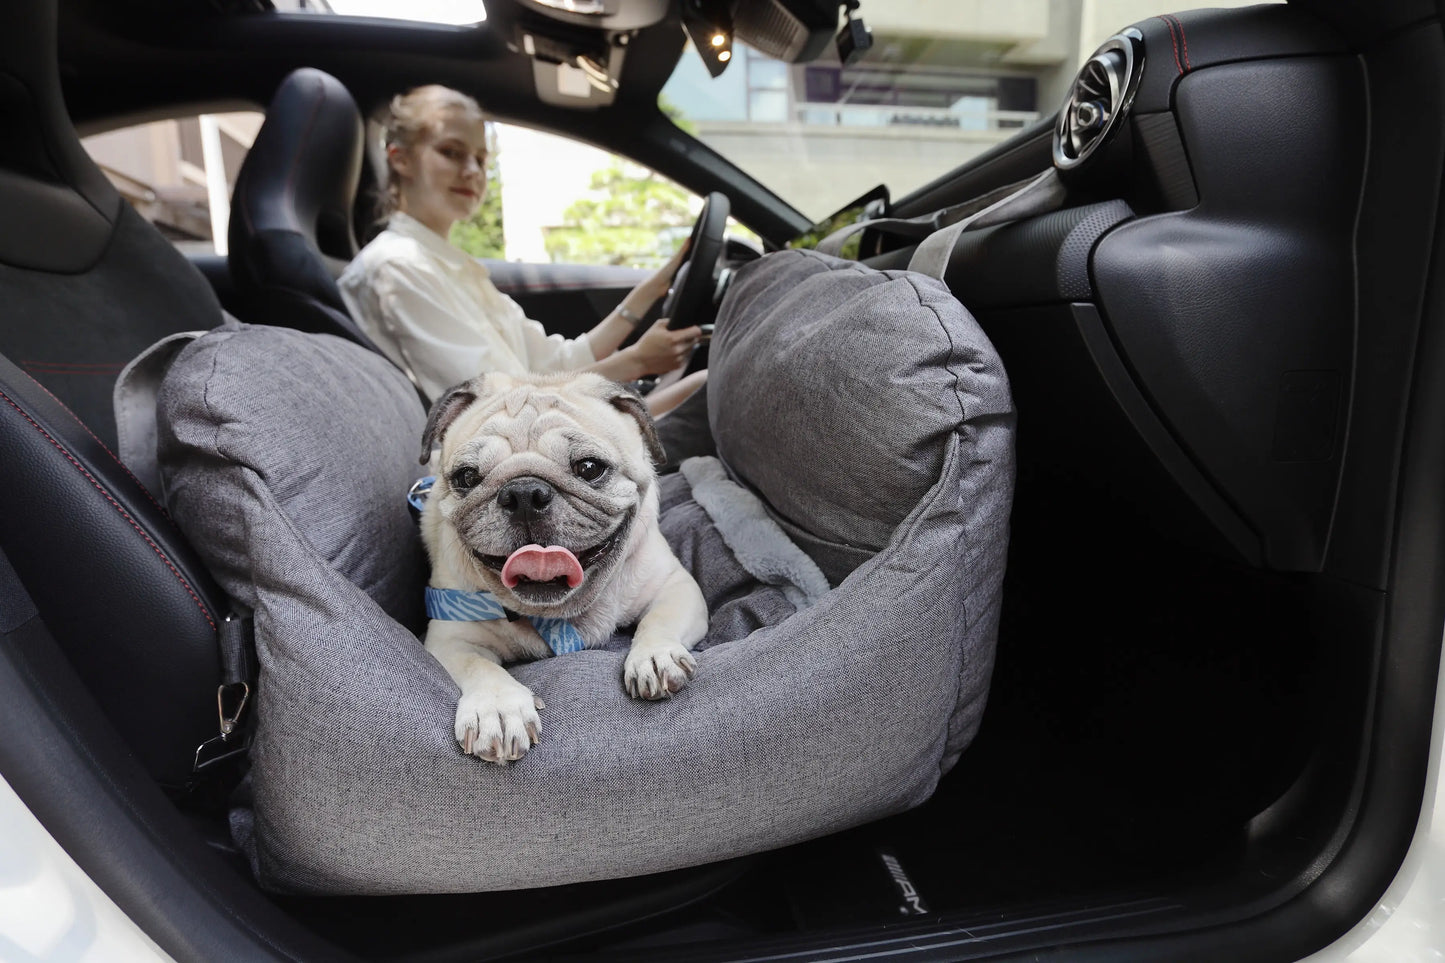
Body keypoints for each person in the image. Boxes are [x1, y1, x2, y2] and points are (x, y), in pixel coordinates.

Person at [338, 84, 706, 412]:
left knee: (701, 388)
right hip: (501, 460)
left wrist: (650, 291)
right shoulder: (397, 269)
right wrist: (636, 362)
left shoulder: (453, 268)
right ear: (400, 158)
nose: (472, 171)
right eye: (451, 152)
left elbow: (559, 362)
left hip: (536, 433)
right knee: (702, 390)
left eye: (481, 159)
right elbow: (494, 406)